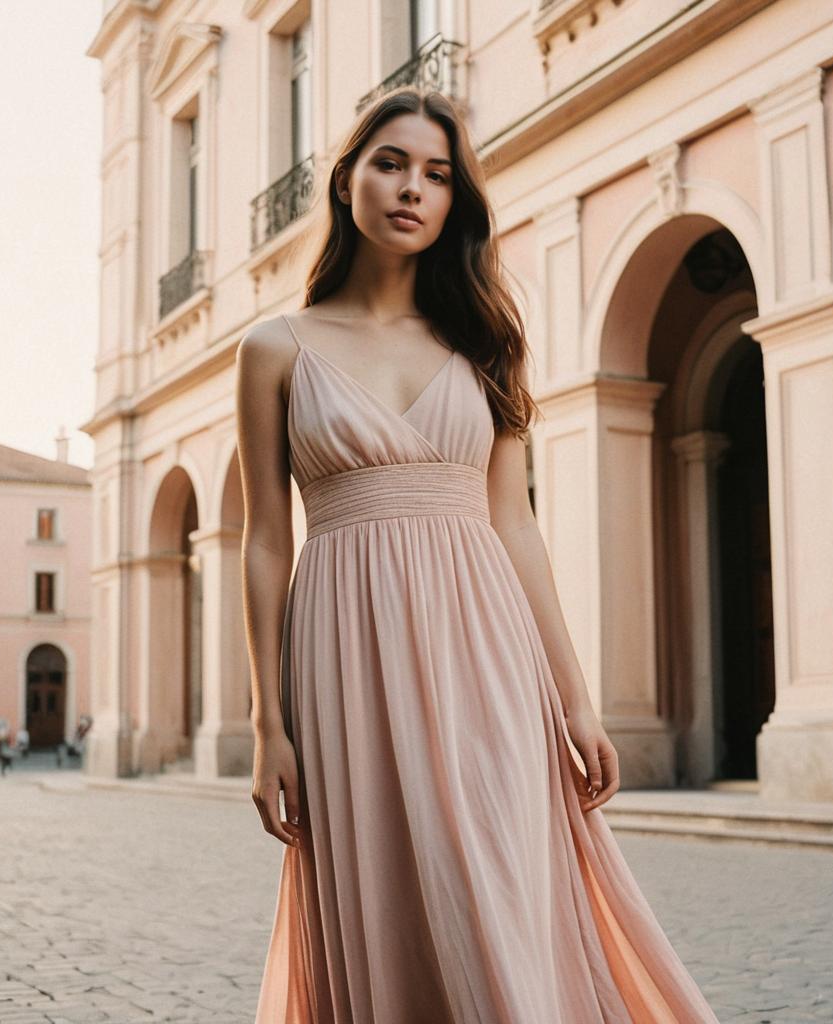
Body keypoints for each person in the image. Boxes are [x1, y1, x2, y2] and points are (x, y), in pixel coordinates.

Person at [238, 86, 720, 1023]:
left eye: (437, 174)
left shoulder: (486, 342)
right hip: (346, 663)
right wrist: (270, 727)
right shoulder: (275, 348)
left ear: (457, 200)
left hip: (487, 650)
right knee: (386, 896)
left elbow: (517, 526)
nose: (412, 188)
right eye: (389, 163)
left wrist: (576, 699)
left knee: (498, 886)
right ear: (345, 183)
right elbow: (264, 540)